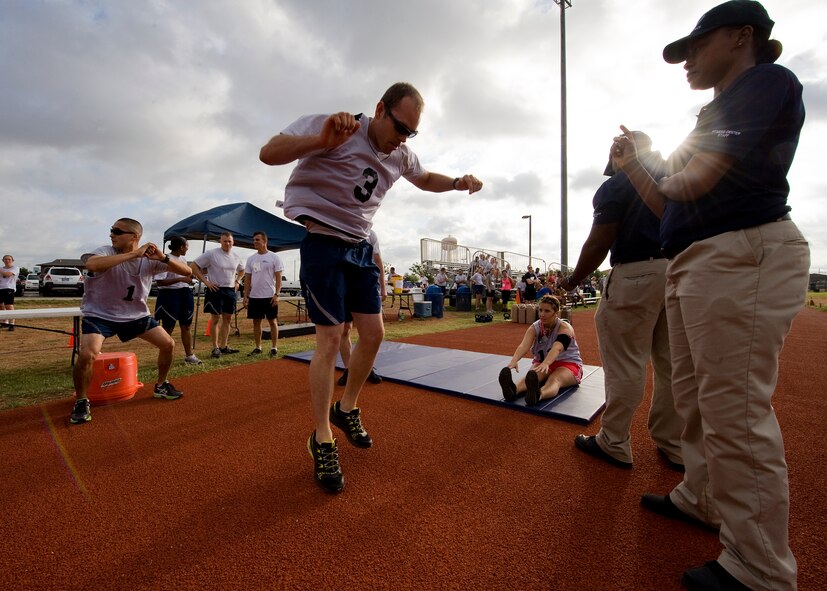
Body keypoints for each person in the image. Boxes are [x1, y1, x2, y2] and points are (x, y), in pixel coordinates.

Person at [611, 3, 809, 589]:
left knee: (735, 411)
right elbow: (669, 205)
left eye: (697, 46)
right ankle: (702, 496)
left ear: (741, 36)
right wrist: (636, 169)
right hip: (705, 256)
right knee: (697, 397)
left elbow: (692, 182)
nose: (688, 60)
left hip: (739, 253)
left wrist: (647, 160)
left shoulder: (766, 82)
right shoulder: (721, 107)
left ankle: (761, 570)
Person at [259, 81, 483, 493]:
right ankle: (322, 435)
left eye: (411, 133)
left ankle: (347, 408)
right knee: (330, 339)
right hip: (323, 241)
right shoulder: (340, 127)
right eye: (400, 127)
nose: (403, 138)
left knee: (375, 334)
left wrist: (455, 183)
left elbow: (425, 177)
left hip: (361, 246)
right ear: (380, 109)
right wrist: (321, 140)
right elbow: (268, 152)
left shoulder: (401, 154)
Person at [562, 132, 683, 473]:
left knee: (626, 363)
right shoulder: (673, 173)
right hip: (675, 271)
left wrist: (572, 281)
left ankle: (614, 442)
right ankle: (673, 444)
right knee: (671, 365)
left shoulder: (617, 185)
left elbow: (600, 240)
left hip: (635, 274)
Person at [70, 219, 191, 424]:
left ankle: (161, 384)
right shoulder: (106, 251)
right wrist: (135, 254)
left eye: (117, 231)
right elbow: (91, 264)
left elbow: (187, 272)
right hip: (100, 315)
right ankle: (81, 400)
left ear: (135, 236)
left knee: (168, 344)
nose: (112, 234)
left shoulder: (151, 259)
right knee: (88, 353)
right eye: (111, 230)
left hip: (135, 316)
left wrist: (163, 258)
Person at [498, 295, 582, 406]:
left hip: (567, 363)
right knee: (531, 377)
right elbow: (524, 345)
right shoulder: (535, 327)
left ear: (556, 313)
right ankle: (513, 390)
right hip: (543, 362)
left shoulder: (565, 327)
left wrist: (546, 363)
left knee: (554, 380)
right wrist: (514, 361)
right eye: (540, 310)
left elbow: (557, 348)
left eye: (547, 311)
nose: (542, 314)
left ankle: (539, 395)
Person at [338, 230, 385, 387]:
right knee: (345, 329)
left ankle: (367, 367)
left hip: (365, 284)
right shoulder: (334, 226)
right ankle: (348, 369)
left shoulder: (370, 233)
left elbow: (378, 260)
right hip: (342, 284)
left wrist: (383, 288)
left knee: (370, 333)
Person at [190, 232, 244, 359]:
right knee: (215, 319)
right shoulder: (211, 253)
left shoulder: (236, 256)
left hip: (230, 290)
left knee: (228, 319)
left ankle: (224, 346)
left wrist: (237, 281)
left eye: (230, 241)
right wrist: (206, 282)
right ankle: (215, 348)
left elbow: (242, 270)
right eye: (225, 241)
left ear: (233, 242)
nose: (227, 243)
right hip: (215, 290)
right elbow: (193, 266)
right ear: (220, 241)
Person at [153, 237, 202, 366]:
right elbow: (160, 282)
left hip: (185, 294)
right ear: (181, 247)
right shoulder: (164, 260)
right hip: (169, 296)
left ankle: (189, 356)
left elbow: (184, 276)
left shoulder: (183, 259)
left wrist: (189, 277)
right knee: (168, 327)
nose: (187, 248)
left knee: (186, 326)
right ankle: (165, 355)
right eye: (187, 246)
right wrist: (181, 279)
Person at [242, 231, 283, 358]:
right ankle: (258, 347)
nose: (254, 242)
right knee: (256, 322)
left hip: (270, 296)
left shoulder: (274, 257)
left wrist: (277, 294)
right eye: (254, 240)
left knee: (272, 321)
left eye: (257, 240)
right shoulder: (251, 259)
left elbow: (279, 277)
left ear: (265, 241)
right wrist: (245, 295)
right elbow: (247, 278)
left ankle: (274, 347)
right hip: (255, 296)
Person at [0, 255, 18, 330]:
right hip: (0, 288)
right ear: (3, 260)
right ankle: (5, 322)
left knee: (9, 306)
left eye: (9, 259)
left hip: (9, 289)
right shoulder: (1, 268)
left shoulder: (15, 268)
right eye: (5, 259)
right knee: (0, 306)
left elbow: (7, 275)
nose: (7, 260)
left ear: (12, 260)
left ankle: (12, 323)